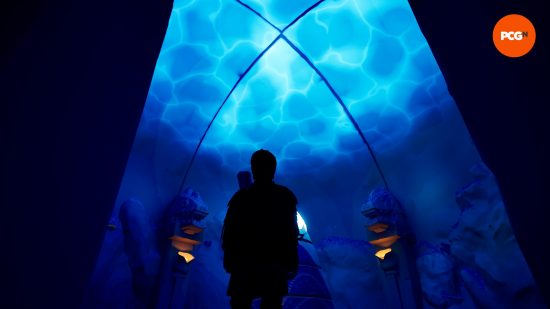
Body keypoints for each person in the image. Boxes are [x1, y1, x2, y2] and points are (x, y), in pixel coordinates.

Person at [222, 149, 299, 309]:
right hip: (273, 265)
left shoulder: (241, 197)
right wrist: (291, 261)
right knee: (270, 303)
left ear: (253, 169)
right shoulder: (284, 196)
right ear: (274, 169)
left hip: (245, 265)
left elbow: (230, 233)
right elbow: (291, 233)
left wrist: (230, 260)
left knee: (241, 303)